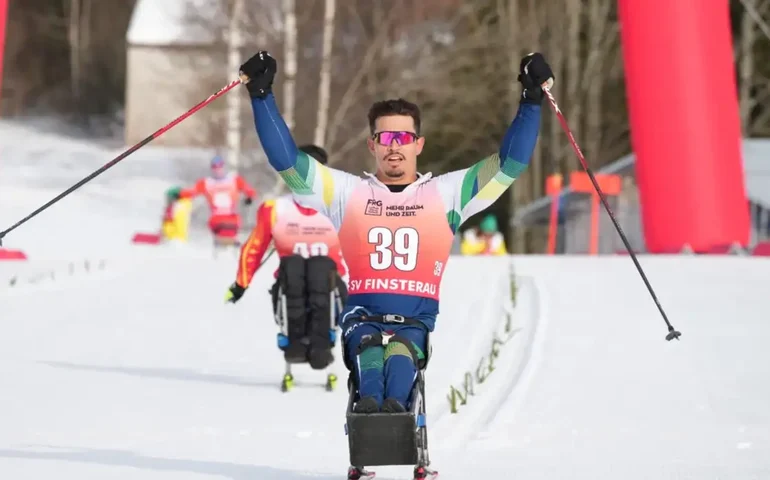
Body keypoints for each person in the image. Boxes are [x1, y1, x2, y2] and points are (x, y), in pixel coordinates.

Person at [239, 50, 552, 479]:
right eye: (385, 139)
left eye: (403, 139)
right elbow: (288, 162)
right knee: (370, 358)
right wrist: (261, 96)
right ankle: (369, 434)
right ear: (372, 145)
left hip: (413, 321)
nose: (394, 148)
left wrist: (531, 100)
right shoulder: (345, 193)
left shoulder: (447, 194)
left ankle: (399, 432)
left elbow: (510, 165)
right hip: (362, 316)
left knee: (401, 359)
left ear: (419, 144)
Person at [224, 145, 349, 384]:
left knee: (320, 267)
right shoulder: (276, 209)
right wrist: (241, 284)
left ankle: (322, 342)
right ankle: (296, 342)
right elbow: (254, 248)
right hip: (290, 283)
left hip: (330, 285)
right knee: (294, 265)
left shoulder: (341, 207)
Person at [175, 155, 257, 246]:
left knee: (231, 229)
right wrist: (179, 194)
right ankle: (223, 243)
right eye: (215, 167)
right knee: (221, 232)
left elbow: (248, 190)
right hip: (216, 219)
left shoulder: (234, 180)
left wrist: (249, 197)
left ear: (224, 167)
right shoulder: (207, 182)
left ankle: (230, 243)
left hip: (232, 217)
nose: (218, 170)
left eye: (220, 167)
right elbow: (192, 192)